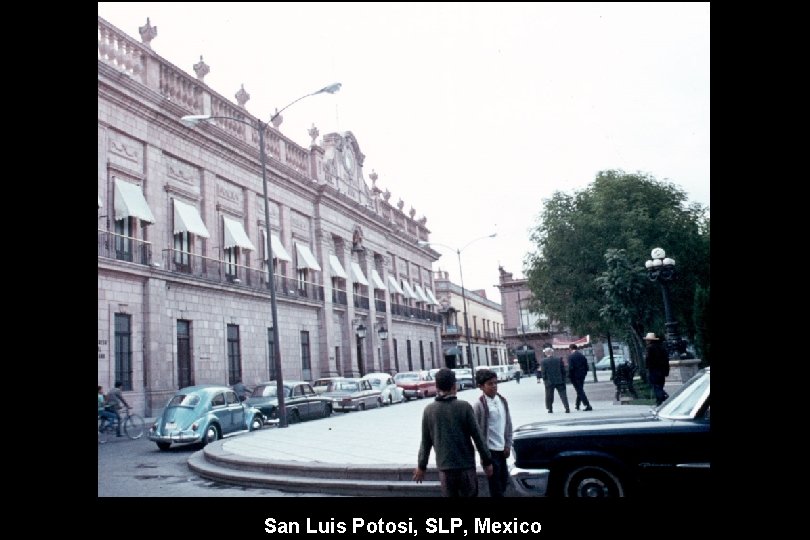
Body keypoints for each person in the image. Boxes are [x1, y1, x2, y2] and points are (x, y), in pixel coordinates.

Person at [413, 368, 494, 497]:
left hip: (445, 468)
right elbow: (477, 437)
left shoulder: (429, 410)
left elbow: (425, 442)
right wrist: (487, 461)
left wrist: (421, 466)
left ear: (437, 386)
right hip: (466, 466)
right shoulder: (464, 407)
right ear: (453, 386)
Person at [472, 369, 513, 497]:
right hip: (490, 451)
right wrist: (485, 458)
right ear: (481, 387)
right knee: (495, 486)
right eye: (490, 384)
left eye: (495, 383)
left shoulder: (502, 400)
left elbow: (508, 424)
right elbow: (477, 432)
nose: (494, 386)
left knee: (504, 480)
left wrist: (508, 444)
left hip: (502, 449)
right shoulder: (479, 406)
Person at [540, 347, 570, 413]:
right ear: (552, 352)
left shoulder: (543, 361)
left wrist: (544, 379)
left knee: (549, 395)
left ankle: (550, 409)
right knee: (563, 395)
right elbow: (563, 370)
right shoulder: (559, 359)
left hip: (549, 381)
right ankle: (567, 408)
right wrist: (563, 378)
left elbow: (543, 372)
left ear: (545, 353)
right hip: (559, 380)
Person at [644, 332, 670, 406]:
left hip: (654, 370)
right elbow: (666, 360)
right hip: (662, 371)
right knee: (660, 385)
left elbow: (648, 359)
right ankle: (659, 401)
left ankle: (662, 396)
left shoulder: (649, 348)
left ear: (650, 340)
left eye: (647, 340)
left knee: (655, 386)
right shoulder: (662, 348)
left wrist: (647, 367)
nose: (646, 341)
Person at [567, 344, 592, 411]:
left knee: (580, 390)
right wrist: (584, 373)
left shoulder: (571, 357)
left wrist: (569, 376)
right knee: (580, 389)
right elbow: (586, 366)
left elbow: (571, 368)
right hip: (582, 375)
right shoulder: (582, 356)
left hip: (575, 376)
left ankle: (587, 405)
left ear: (570, 349)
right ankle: (577, 404)